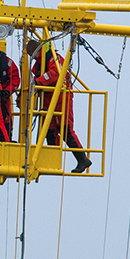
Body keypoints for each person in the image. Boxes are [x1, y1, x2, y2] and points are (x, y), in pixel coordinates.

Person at [26, 39, 92, 173]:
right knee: (49, 130)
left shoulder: (55, 59)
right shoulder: (39, 64)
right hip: (48, 98)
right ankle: (52, 159)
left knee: (66, 129)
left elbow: (55, 74)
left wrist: (37, 82)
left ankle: (82, 159)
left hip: (62, 97)